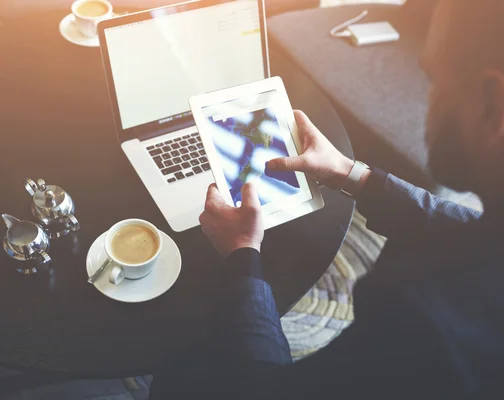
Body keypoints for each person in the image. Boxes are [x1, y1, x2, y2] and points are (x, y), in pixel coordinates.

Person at [150, 0, 504, 398]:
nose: (430, 103)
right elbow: (469, 228)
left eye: (435, 81)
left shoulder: (425, 323)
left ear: (491, 103)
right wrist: (350, 173)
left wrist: (242, 252)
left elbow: (263, 392)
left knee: (176, 378)